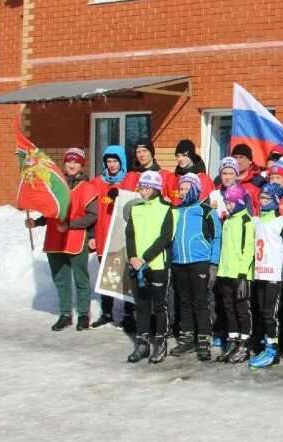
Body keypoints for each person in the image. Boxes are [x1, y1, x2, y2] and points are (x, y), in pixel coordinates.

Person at [26, 148, 98, 331]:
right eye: (69, 161)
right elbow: (51, 211)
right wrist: (37, 222)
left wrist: (72, 225)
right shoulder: (55, 186)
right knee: (61, 279)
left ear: (82, 164)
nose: (72, 165)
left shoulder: (87, 188)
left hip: (76, 238)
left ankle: (83, 315)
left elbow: (92, 215)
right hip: (55, 238)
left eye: (76, 162)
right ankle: (65, 314)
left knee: (81, 279)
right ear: (64, 164)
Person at [124, 171, 175, 364]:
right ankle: (142, 343)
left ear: (155, 188)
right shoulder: (136, 209)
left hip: (157, 265)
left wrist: (144, 258)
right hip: (138, 266)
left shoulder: (167, 209)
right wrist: (133, 257)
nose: (141, 191)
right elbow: (130, 235)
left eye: (144, 187)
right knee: (141, 306)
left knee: (159, 306)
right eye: (140, 187)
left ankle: (161, 343)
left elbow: (166, 237)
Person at [169, 173, 221, 361]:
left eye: (186, 189)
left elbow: (216, 237)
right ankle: (187, 338)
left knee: (200, 302)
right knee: (183, 302)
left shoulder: (206, 211)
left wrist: (213, 264)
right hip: (179, 262)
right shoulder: (175, 211)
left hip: (200, 262)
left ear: (196, 189)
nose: (182, 193)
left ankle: (204, 340)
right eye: (180, 189)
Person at [89, 145, 136, 331]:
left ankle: (128, 314)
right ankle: (107, 313)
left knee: (126, 277)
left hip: (123, 238)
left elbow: (135, 200)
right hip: (103, 237)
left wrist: (121, 194)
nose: (112, 165)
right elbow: (91, 211)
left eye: (115, 161)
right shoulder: (96, 183)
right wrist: (91, 235)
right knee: (106, 276)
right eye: (109, 161)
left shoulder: (129, 180)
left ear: (122, 161)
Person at [247, 183, 283, 369]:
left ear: (276, 200)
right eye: (261, 198)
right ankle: (266, 344)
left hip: (274, 274)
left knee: (270, 313)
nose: (262, 201)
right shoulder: (257, 221)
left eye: (266, 198)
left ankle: (273, 349)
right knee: (262, 312)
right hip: (260, 273)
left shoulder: (282, 223)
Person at [214, 184, 255, 364]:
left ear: (239, 202)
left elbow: (249, 249)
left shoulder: (246, 220)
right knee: (228, 308)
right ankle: (232, 340)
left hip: (240, 273)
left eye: (230, 202)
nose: (227, 206)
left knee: (242, 309)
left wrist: (242, 272)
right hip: (225, 272)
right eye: (225, 202)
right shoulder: (228, 220)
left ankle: (245, 343)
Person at [172, 139, 212, 205]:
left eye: (184, 155)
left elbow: (208, 204)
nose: (180, 159)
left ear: (191, 156)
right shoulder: (173, 178)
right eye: (178, 156)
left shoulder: (204, 179)